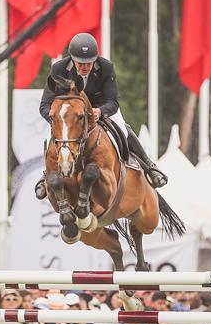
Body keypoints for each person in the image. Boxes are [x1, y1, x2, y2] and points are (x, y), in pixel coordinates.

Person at [34, 32, 167, 200]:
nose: (85, 67)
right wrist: (60, 120)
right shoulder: (59, 69)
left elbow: (113, 101)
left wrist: (100, 111)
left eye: (89, 63)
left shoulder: (105, 67)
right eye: (80, 63)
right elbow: (44, 105)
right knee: (50, 137)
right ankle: (46, 173)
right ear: (72, 59)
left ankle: (149, 166)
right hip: (70, 117)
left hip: (101, 109)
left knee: (123, 129)